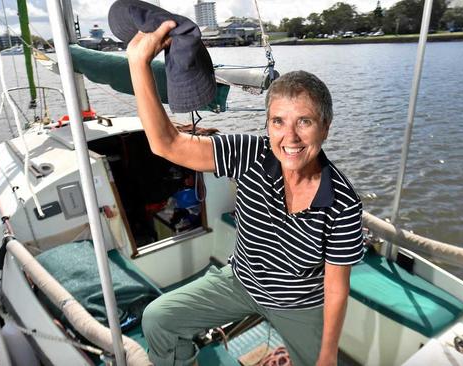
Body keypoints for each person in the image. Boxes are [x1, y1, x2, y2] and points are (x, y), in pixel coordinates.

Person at [127, 21, 364, 366]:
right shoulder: (249, 154)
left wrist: (328, 355)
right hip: (241, 284)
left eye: (305, 121)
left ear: (325, 126)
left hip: (299, 305)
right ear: (267, 125)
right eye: (278, 122)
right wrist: (138, 64)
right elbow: (167, 144)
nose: (290, 138)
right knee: (158, 318)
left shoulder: (342, 202)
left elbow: (336, 287)